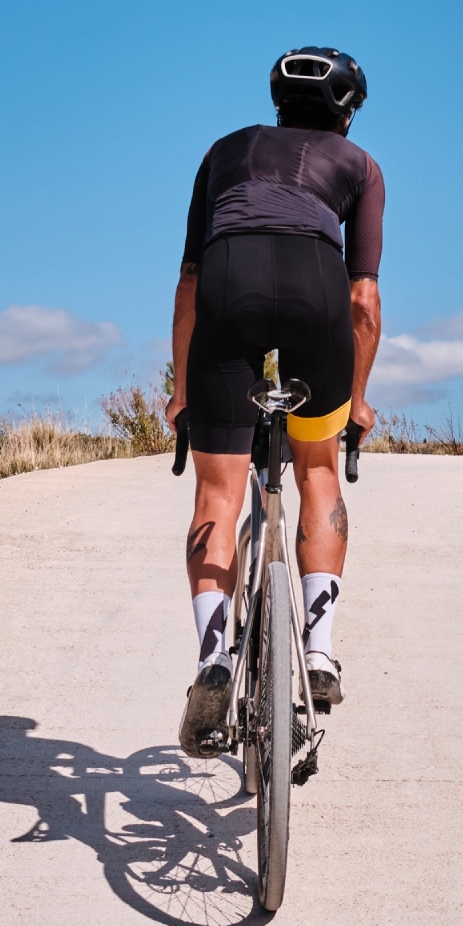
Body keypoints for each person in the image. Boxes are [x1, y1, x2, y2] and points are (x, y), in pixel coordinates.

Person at [165, 46, 384, 758]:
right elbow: (363, 298)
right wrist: (357, 400)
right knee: (317, 469)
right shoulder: (360, 168)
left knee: (218, 496)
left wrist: (182, 391)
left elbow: (190, 284)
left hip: (228, 288)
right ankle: (318, 654)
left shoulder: (223, 152)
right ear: (347, 111)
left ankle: (212, 660)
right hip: (316, 291)